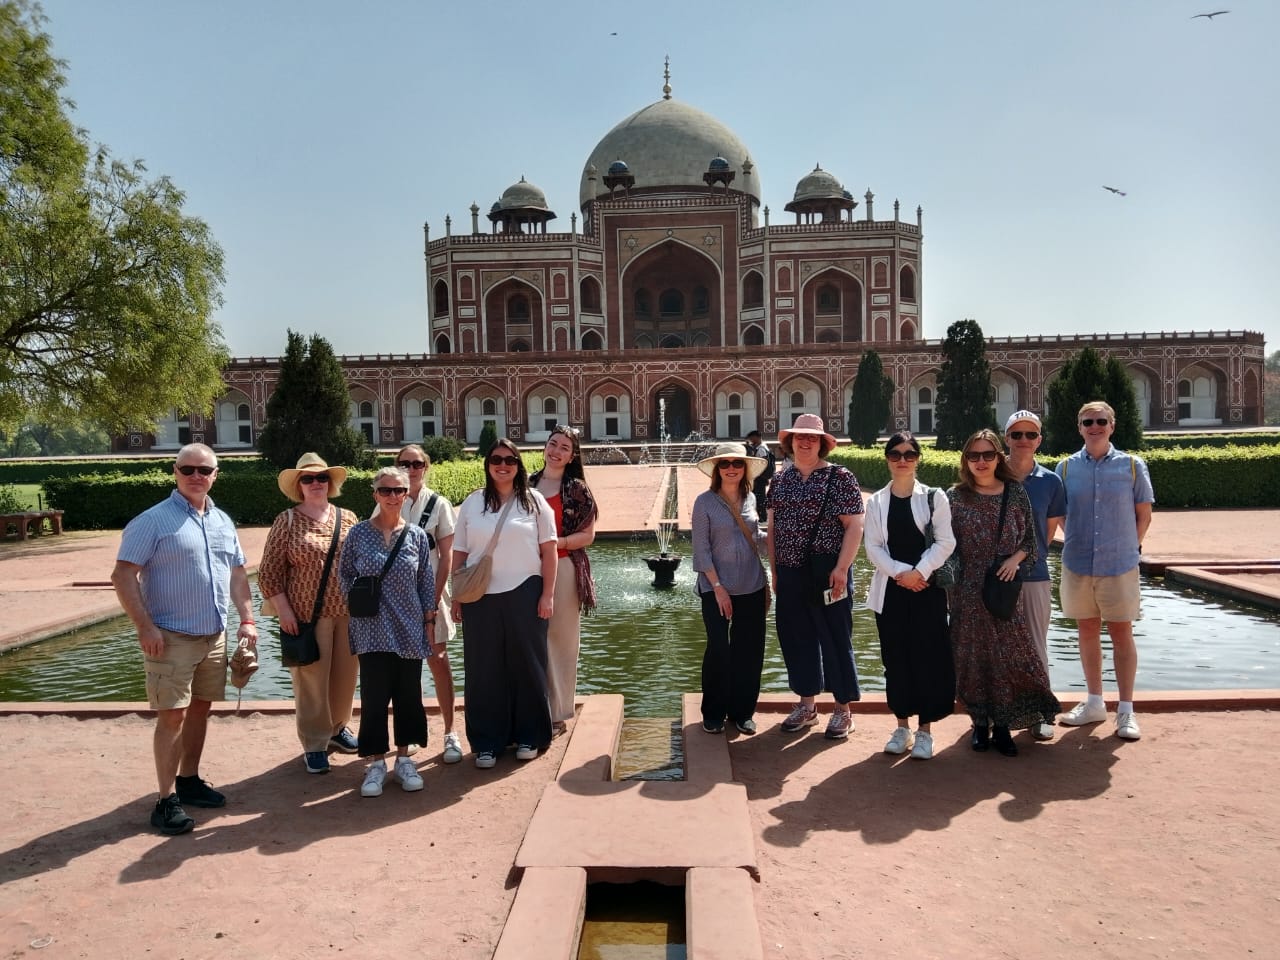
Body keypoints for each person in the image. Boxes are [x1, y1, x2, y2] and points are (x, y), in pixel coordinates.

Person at [111, 443, 258, 835]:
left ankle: (188, 780)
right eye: (187, 469)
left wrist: (247, 620)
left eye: (204, 470)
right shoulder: (153, 521)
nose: (196, 476)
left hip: (214, 633)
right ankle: (165, 799)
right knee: (171, 715)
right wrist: (144, 626)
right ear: (174, 472)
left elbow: (238, 574)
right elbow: (123, 574)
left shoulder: (222, 521)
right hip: (170, 636)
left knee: (200, 708)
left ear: (215, 474)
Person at [946, 430, 1060, 757]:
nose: (981, 462)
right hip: (967, 591)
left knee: (1011, 658)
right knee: (974, 660)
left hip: (1002, 588)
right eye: (974, 456)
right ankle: (980, 724)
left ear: (998, 457)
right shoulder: (955, 496)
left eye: (987, 455)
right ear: (966, 460)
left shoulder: (1014, 493)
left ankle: (1004, 725)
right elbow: (944, 544)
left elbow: (1031, 542)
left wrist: (1014, 559)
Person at [452, 438, 558, 768]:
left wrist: (548, 594)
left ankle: (530, 736)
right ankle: (487, 741)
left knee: (528, 666)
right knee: (484, 670)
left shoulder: (534, 502)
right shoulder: (472, 503)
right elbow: (459, 552)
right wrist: (455, 596)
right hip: (480, 596)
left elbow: (549, 550)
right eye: (496, 459)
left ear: (518, 465)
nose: (503, 465)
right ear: (487, 464)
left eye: (510, 460)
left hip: (525, 590)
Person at [1055, 401, 1154, 741]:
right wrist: (1077, 540)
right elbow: (1062, 515)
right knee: (1086, 630)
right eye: (1087, 422)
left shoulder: (1131, 466)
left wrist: (1130, 547)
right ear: (1079, 426)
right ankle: (1095, 701)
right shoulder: (1065, 468)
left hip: (1119, 562)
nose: (1094, 426)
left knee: (1121, 633)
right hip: (1079, 561)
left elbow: (1144, 514)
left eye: (1100, 421)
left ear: (1112, 425)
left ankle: (1126, 709)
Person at [258, 453, 359, 775]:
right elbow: (269, 574)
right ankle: (315, 743)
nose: (316, 483)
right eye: (308, 479)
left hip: (347, 612)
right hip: (305, 616)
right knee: (312, 682)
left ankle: (337, 728)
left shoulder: (348, 518)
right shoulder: (286, 521)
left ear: (330, 483)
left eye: (321, 478)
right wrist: (284, 611)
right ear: (298, 486)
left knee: (345, 677)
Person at [766, 413, 865, 740]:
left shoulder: (840, 477)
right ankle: (807, 705)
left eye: (811, 438)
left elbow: (854, 526)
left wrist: (842, 568)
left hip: (828, 571)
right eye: (799, 437)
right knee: (797, 638)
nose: (805, 442)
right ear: (790, 443)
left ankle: (842, 710)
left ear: (822, 443)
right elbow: (773, 529)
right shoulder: (780, 479)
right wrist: (775, 570)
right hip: (792, 570)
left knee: (835, 637)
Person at [338, 466, 435, 798]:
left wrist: (429, 621)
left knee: (409, 695)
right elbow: (344, 575)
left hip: (408, 628)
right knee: (374, 696)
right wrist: (361, 598)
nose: (392, 496)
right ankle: (377, 761)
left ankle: (404, 758)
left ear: (407, 494)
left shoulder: (417, 536)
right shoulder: (358, 534)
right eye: (386, 490)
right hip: (371, 628)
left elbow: (426, 583)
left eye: (399, 491)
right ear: (375, 494)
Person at [863, 431, 956, 760]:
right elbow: (872, 547)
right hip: (892, 592)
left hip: (927, 591)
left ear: (918, 459)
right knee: (896, 660)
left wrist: (919, 572)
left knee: (927, 659)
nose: (902, 460)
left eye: (909, 454)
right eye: (896, 454)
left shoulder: (933, 497)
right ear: (887, 459)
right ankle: (901, 727)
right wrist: (901, 573)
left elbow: (946, 542)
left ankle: (925, 732)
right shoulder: (875, 501)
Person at [387, 444, 463, 764]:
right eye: (405, 463)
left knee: (438, 659)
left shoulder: (439, 504)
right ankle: (413, 732)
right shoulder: (388, 500)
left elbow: (447, 556)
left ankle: (450, 730)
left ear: (426, 467)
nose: (411, 468)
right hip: (398, 597)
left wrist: (434, 597)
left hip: (433, 592)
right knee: (405, 667)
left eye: (417, 463)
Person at [692, 442, 770, 735]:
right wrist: (718, 588)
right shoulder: (705, 502)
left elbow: (754, 535)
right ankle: (713, 711)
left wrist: (773, 538)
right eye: (725, 464)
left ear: (745, 468)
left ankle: (742, 712)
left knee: (749, 651)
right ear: (716, 469)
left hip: (751, 583)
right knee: (719, 649)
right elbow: (701, 550)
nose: (731, 469)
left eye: (737, 464)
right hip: (716, 587)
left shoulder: (751, 498)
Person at [529, 425, 598, 734]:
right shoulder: (526, 484)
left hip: (565, 567)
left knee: (560, 640)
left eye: (564, 448)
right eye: (553, 444)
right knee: (530, 640)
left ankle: (556, 714)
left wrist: (556, 543)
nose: (556, 451)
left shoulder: (577, 489)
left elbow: (588, 535)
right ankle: (533, 706)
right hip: (526, 570)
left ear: (572, 456)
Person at [1003, 411, 1067, 741]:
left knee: (1035, 645)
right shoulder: (991, 474)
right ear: (1006, 438)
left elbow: (1047, 533)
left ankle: (1041, 712)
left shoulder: (1050, 482)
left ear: (1039, 440)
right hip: (993, 577)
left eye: (1030, 435)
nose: (1023, 440)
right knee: (996, 647)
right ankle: (999, 713)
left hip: (1033, 575)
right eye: (1017, 435)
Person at [744, 429, 776, 511]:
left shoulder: (761, 449)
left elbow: (762, 464)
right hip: (760, 476)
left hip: (760, 476)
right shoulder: (760, 447)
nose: (750, 440)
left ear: (757, 437)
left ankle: (762, 515)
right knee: (759, 494)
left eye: (751, 438)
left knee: (760, 495)